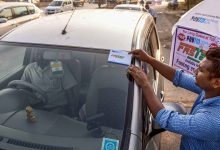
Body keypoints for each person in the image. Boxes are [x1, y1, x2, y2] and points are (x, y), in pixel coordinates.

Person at [128, 48, 220, 149]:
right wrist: (149, 59)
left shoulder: (212, 121)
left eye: (201, 70)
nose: (195, 71)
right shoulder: (211, 89)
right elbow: (178, 77)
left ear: (216, 82)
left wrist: (145, 84)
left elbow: (165, 118)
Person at [21, 50, 79, 117]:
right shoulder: (30, 68)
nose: (39, 56)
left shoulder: (56, 66)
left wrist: (73, 113)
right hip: (37, 108)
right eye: (36, 54)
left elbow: (69, 91)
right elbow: (22, 88)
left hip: (57, 108)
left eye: (41, 54)